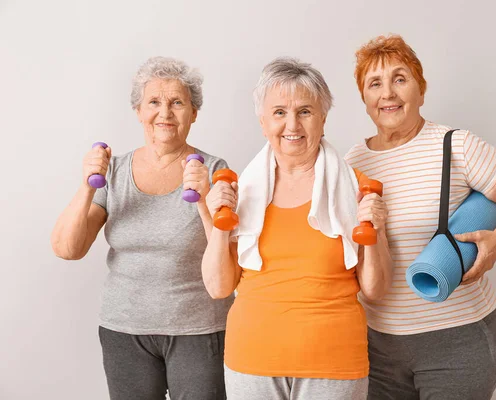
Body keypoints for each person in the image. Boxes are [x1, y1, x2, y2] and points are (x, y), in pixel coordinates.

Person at [345, 34, 496, 400]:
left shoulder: (456, 145)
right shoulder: (351, 164)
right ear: (364, 99)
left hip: (456, 340)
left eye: (400, 79)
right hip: (376, 344)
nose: (387, 93)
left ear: (421, 91)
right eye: (374, 83)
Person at [201, 57, 393, 400]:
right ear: (263, 122)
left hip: (335, 362)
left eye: (305, 111)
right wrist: (217, 220)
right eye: (279, 112)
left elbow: (375, 289)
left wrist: (376, 229)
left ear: (322, 118)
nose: (293, 124)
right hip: (252, 360)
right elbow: (218, 287)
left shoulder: (357, 190)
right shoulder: (239, 192)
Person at [51, 56, 231, 400]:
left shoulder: (214, 170)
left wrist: (206, 200)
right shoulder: (113, 172)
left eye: (177, 102)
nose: (165, 112)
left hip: (199, 329)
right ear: (138, 111)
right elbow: (68, 248)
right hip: (124, 330)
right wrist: (88, 184)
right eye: (154, 102)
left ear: (193, 113)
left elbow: (227, 255)